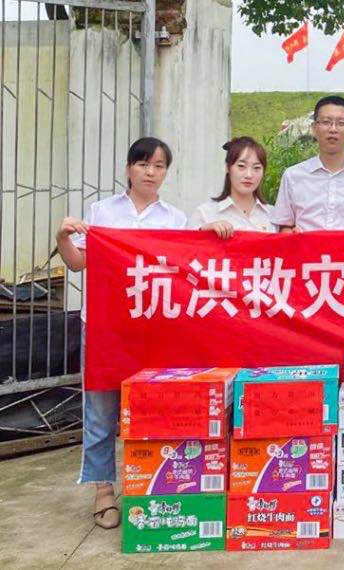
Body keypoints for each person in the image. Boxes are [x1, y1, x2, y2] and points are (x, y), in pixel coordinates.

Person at [54, 137, 187, 530]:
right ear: (129, 169)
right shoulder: (102, 212)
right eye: (143, 164)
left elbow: (187, 269)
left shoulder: (175, 219)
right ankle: (103, 491)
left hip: (154, 329)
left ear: (166, 172)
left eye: (159, 166)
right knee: (100, 411)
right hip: (104, 328)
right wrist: (63, 238)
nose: (151, 172)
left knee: (156, 409)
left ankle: (153, 484)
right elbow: (78, 263)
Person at [270, 95, 344, 232]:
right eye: (326, 122)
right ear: (314, 128)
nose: (333, 129)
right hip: (308, 246)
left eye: (341, 123)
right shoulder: (293, 175)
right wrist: (290, 233)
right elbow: (284, 225)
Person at [189, 136, 275, 236]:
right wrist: (204, 231)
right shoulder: (205, 213)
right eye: (241, 166)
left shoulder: (274, 216)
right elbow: (186, 243)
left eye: (256, 168)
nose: (249, 175)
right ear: (227, 167)